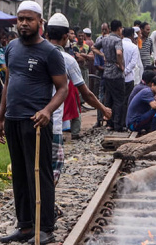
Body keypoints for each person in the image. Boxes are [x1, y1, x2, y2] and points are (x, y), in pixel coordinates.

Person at [0, 1, 69, 245]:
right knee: (20, 174)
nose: (24, 23)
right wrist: (0, 118)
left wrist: (47, 110)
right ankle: (25, 226)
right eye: (20, 19)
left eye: (29, 19)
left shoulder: (50, 52)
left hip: (36, 123)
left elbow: (62, 88)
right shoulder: (12, 48)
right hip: (13, 120)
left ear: (40, 22)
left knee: (40, 174)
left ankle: (45, 227)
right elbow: (8, 82)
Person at [46, 14, 112, 179]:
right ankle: (45, 203)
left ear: (47, 35)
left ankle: (34, 203)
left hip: (30, 122)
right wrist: (103, 108)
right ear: (66, 37)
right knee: (53, 171)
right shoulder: (67, 60)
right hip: (53, 124)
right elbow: (87, 94)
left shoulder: (34, 55)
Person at [93, 20, 126, 131]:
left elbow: (93, 47)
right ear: (119, 28)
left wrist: (103, 55)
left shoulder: (105, 39)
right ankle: (118, 125)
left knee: (109, 99)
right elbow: (119, 53)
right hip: (116, 73)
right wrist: (120, 64)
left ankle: (109, 123)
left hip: (107, 72)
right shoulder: (117, 40)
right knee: (119, 100)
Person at [122, 26, 140, 122]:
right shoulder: (134, 47)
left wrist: (121, 72)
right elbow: (133, 63)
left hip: (118, 77)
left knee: (118, 100)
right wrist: (126, 71)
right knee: (127, 100)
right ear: (133, 35)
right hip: (129, 78)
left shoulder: (118, 44)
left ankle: (116, 122)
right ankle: (126, 121)